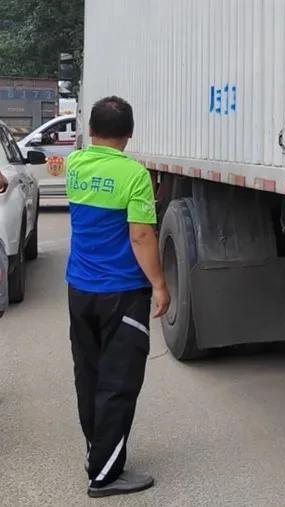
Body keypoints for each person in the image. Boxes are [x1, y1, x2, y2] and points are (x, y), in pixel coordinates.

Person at [66, 96, 170, 498]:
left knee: (88, 374)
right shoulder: (133, 175)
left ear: (91, 130)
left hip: (80, 289)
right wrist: (160, 284)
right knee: (119, 381)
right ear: (129, 133)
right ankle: (105, 475)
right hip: (121, 292)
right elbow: (141, 235)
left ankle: (98, 452)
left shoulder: (76, 165)